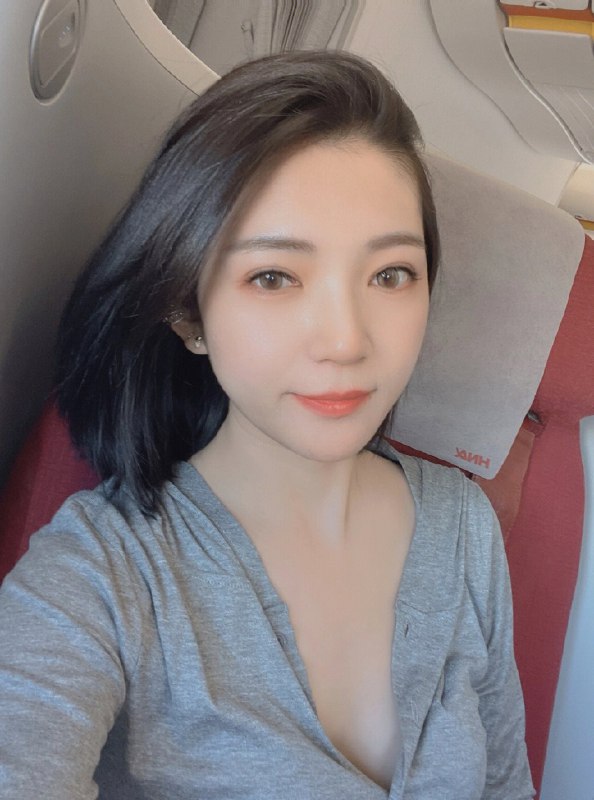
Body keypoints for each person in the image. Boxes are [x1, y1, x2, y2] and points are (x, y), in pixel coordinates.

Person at [0, 51, 534, 799]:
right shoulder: (103, 573)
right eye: (274, 277)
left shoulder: (465, 528)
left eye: (390, 274)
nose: (346, 341)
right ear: (188, 312)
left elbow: (507, 786)